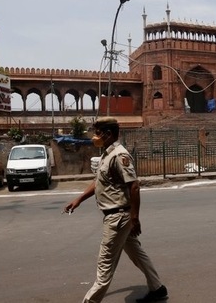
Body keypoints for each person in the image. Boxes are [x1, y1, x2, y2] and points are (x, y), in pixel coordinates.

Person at [64, 117, 168, 303]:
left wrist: (134, 218)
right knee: (138, 255)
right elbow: (99, 181)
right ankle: (157, 288)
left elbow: (134, 186)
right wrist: (79, 199)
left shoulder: (120, 155)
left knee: (104, 270)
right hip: (119, 216)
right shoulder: (107, 154)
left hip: (118, 218)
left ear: (109, 134)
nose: (95, 136)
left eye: (98, 133)